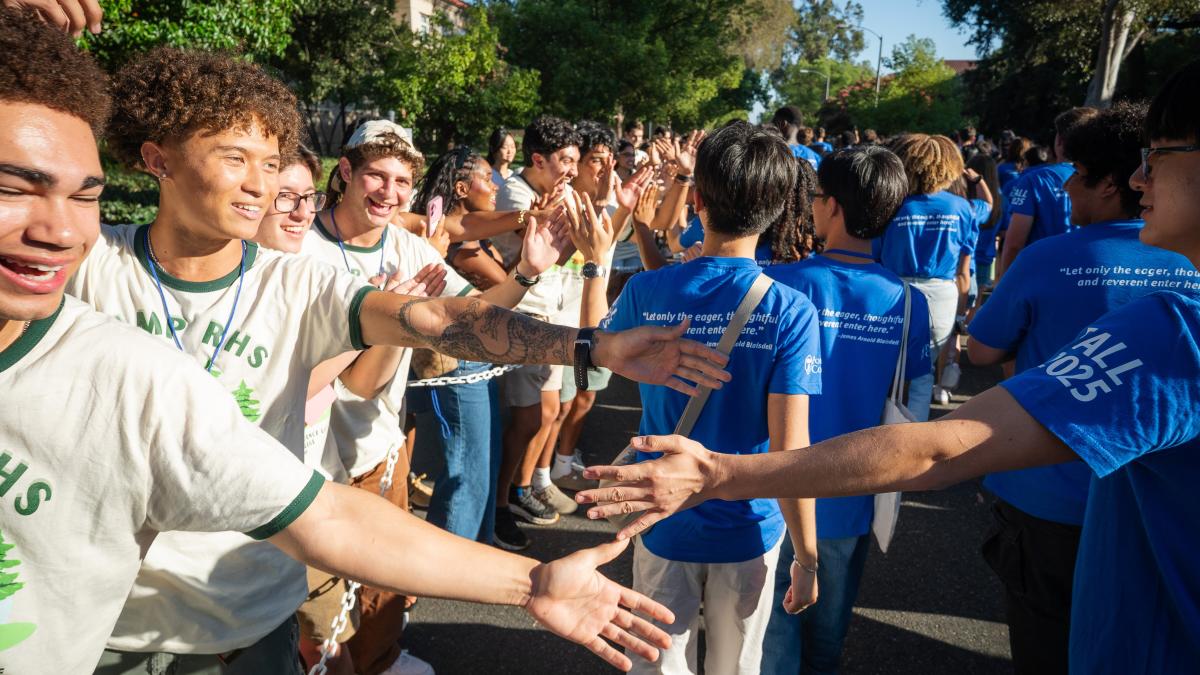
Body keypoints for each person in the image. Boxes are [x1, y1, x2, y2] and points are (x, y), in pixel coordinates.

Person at [0, 9, 703, 673]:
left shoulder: (298, 282)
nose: (259, 184)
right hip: (108, 628)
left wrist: (587, 347)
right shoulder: (81, 263)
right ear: (158, 159)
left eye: (271, 162)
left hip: (249, 616)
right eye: (234, 157)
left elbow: (432, 320)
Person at [580, 57, 1200, 675]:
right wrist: (807, 551)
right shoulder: (824, 301)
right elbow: (913, 399)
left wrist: (614, 253)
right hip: (787, 509)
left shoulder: (720, 290)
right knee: (764, 652)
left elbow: (945, 432)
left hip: (674, 509)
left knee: (661, 657)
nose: (1143, 178)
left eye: (1160, 156)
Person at [965, 101, 1194, 674]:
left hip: (1049, 501)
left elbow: (982, 352)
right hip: (1156, 524)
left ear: (1110, 183)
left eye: (1078, 177)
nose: (1066, 190)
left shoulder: (1052, 258)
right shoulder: (1182, 273)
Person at [600, 121, 823, 675]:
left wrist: (592, 260)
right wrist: (809, 558)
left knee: (655, 663)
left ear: (696, 199)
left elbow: (589, 357)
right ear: (775, 210)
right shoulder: (790, 311)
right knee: (737, 667)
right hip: (750, 524)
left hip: (661, 516)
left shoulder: (645, 289)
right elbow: (792, 450)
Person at [758, 145, 929, 675]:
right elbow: (915, 400)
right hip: (853, 491)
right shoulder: (907, 301)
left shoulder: (782, 283)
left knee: (772, 637)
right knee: (827, 636)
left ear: (831, 206)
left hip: (774, 488)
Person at [491, 115, 581, 543]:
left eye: (574, 161)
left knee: (545, 414)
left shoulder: (549, 192)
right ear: (538, 159)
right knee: (526, 418)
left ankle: (519, 489)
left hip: (549, 315)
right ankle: (499, 504)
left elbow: (560, 257)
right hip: (522, 315)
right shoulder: (516, 195)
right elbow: (526, 255)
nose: (572, 170)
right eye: (565, 160)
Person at [873, 134, 990, 420]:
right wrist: (977, 181)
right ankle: (914, 442)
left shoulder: (891, 205)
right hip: (941, 296)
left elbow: (874, 256)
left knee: (884, 370)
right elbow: (986, 209)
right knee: (923, 374)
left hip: (892, 292)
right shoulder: (962, 208)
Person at [998, 108, 1098, 279]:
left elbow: (1014, 244)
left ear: (1059, 141)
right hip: (1090, 276)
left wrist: (1004, 285)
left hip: (1042, 277)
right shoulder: (1109, 181)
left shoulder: (1034, 180)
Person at [771, 105, 821, 169]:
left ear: (783, 124)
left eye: (774, 124)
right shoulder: (814, 156)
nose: (772, 128)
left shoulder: (775, 154)